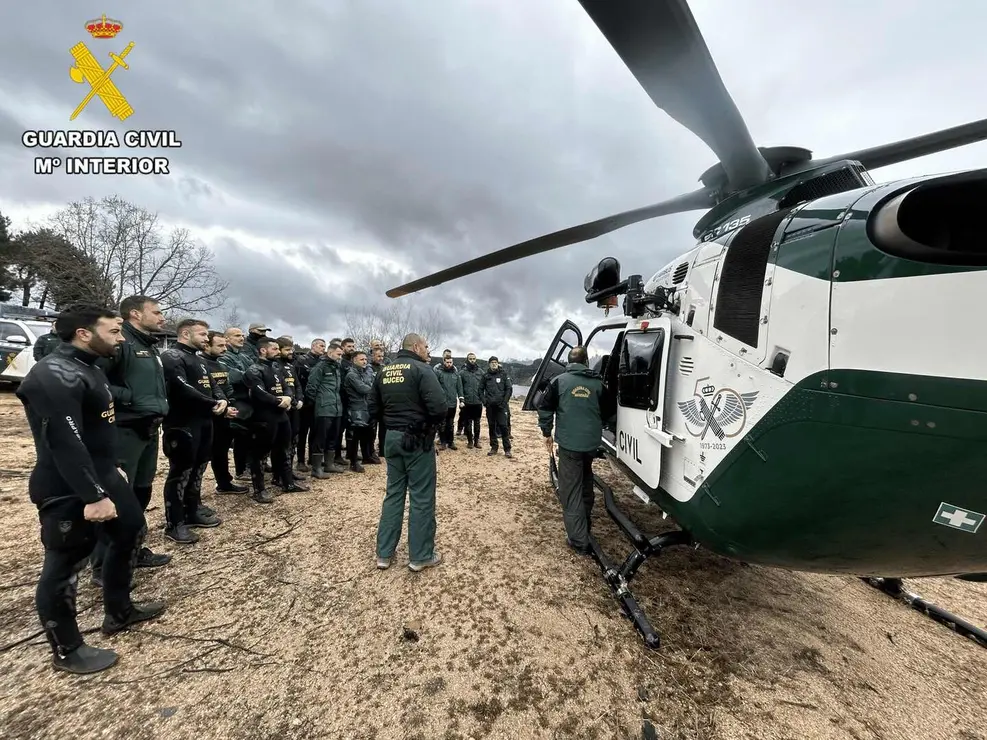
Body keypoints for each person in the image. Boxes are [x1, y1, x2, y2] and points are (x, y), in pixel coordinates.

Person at [16, 304, 166, 674]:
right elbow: (64, 442)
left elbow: (98, 427)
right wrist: (93, 495)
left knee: (130, 530)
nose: (120, 338)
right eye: (114, 331)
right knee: (65, 564)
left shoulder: (90, 368)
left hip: (103, 472)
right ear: (84, 332)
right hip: (68, 484)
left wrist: (112, 465)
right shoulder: (54, 374)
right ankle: (67, 649)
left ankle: (119, 610)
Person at [90, 295, 172, 584]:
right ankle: (103, 565)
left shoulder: (149, 346)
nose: (162, 317)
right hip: (125, 430)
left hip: (148, 429)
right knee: (117, 496)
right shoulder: (120, 344)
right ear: (135, 314)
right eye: (157, 312)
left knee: (141, 491)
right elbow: (96, 381)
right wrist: (132, 399)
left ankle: (133, 549)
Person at [368, 333, 447, 571]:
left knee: (393, 494)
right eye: (425, 346)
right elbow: (440, 407)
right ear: (415, 347)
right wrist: (421, 425)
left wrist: (392, 421)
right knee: (421, 497)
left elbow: (372, 407)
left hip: (391, 438)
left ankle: (383, 554)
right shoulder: (422, 370)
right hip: (416, 440)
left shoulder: (384, 371)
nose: (427, 349)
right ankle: (421, 556)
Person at [160, 319, 233, 543]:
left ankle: (193, 510)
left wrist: (221, 400)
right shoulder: (172, 357)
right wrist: (212, 403)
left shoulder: (198, 359)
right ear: (185, 333)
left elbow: (213, 385)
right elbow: (182, 387)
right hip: (182, 423)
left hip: (204, 421)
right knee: (180, 472)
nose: (205, 338)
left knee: (200, 467)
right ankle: (175, 523)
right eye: (202, 334)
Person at [537, 345, 608, 555]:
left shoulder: (559, 382)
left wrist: (546, 433)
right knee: (586, 480)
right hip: (591, 446)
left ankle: (578, 540)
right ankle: (585, 524)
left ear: (569, 362)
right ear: (586, 362)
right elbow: (609, 413)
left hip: (569, 447)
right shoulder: (598, 384)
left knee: (570, 491)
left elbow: (545, 408)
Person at [244, 337, 308, 500]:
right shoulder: (254, 369)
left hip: (282, 415)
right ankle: (259, 490)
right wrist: (278, 401)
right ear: (263, 350)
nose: (278, 352)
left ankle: (287, 483)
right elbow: (258, 391)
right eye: (275, 349)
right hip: (264, 416)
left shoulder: (276, 367)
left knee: (284, 449)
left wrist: (288, 398)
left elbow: (287, 386)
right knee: (261, 454)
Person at [200, 331, 248, 495]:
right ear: (207, 345)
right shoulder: (200, 364)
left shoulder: (220, 364)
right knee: (203, 456)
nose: (224, 349)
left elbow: (226, 388)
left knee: (221, 451)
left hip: (224, 415)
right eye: (220, 345)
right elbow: (204, 391)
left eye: (225, 345)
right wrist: (221, 408)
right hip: (208, 416)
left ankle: (224, 483)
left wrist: (231, 405)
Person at [305, 341, 347, 478]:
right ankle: (316, 468)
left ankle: (329, 464)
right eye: (338, 354)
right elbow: (311, 387)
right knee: (320, 438)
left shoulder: (336, 368)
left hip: (336, 408)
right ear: (330, 353)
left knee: (333, 437)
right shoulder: (320, 367)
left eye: (342, 355)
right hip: (323, 408)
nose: (340, 357)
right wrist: (316, 404)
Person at [292, 338, 326, 471]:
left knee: (315, 431)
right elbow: (297, 381)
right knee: (302, 432)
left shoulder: (323, 362)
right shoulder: (302, 360)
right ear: (313, 346)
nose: (323, 348)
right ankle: (300, 460)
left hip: (318, 401)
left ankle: (313, 457)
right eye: (321, 345)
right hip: (305, 401)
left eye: (324, 346)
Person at [342, 350, 377, 472]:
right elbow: (362, 388)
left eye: (366, 359)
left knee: (367, 434)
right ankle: (353, 462)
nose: (365, 362)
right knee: (354, 436)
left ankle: (367, 456)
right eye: (362, 359)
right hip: (356, 408)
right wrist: (377, 390)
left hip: (365, 406)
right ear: (354, 360)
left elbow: (370, 384)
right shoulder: (351, 374)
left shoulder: (365, 372)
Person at [481, 356, 513, 457]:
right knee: (491, 427)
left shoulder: (503, 374)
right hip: (490, 407)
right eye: (492, 362)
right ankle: (494, 447)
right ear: (489, 364)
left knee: (504, 427)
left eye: (495, 362)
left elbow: (509, 389)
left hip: (501, 406)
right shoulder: (485, 376)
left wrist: (504, 402)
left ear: (498, 363)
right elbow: (480, 390)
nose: (494, 364)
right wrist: (485, 402)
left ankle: (507, 449)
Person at [434, 356, 464, 450]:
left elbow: (459, 388)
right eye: (447, 362)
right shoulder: (439, 373)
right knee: (442, 423)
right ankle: (443, 442)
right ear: (444, 362)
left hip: (452, 403)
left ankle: (451, 442)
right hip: (442, 403)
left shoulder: (456, 374)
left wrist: (461, 400)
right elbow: (435, 387)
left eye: (450, 362)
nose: (449, 364)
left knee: (450, 424)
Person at [458, 352, 484, 449]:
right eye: (470, 359)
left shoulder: (481, 372)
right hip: (467, 402)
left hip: (477, 401)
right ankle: (470, 441)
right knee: (468, 422)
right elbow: (460, 387)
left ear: (475, 359)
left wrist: (483, 397)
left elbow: (484, 386)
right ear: (467, 360)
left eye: (474, 359)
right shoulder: (462, 373)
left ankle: (477, 441)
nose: (472, 360)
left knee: (477, 422)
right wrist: (461, 399)